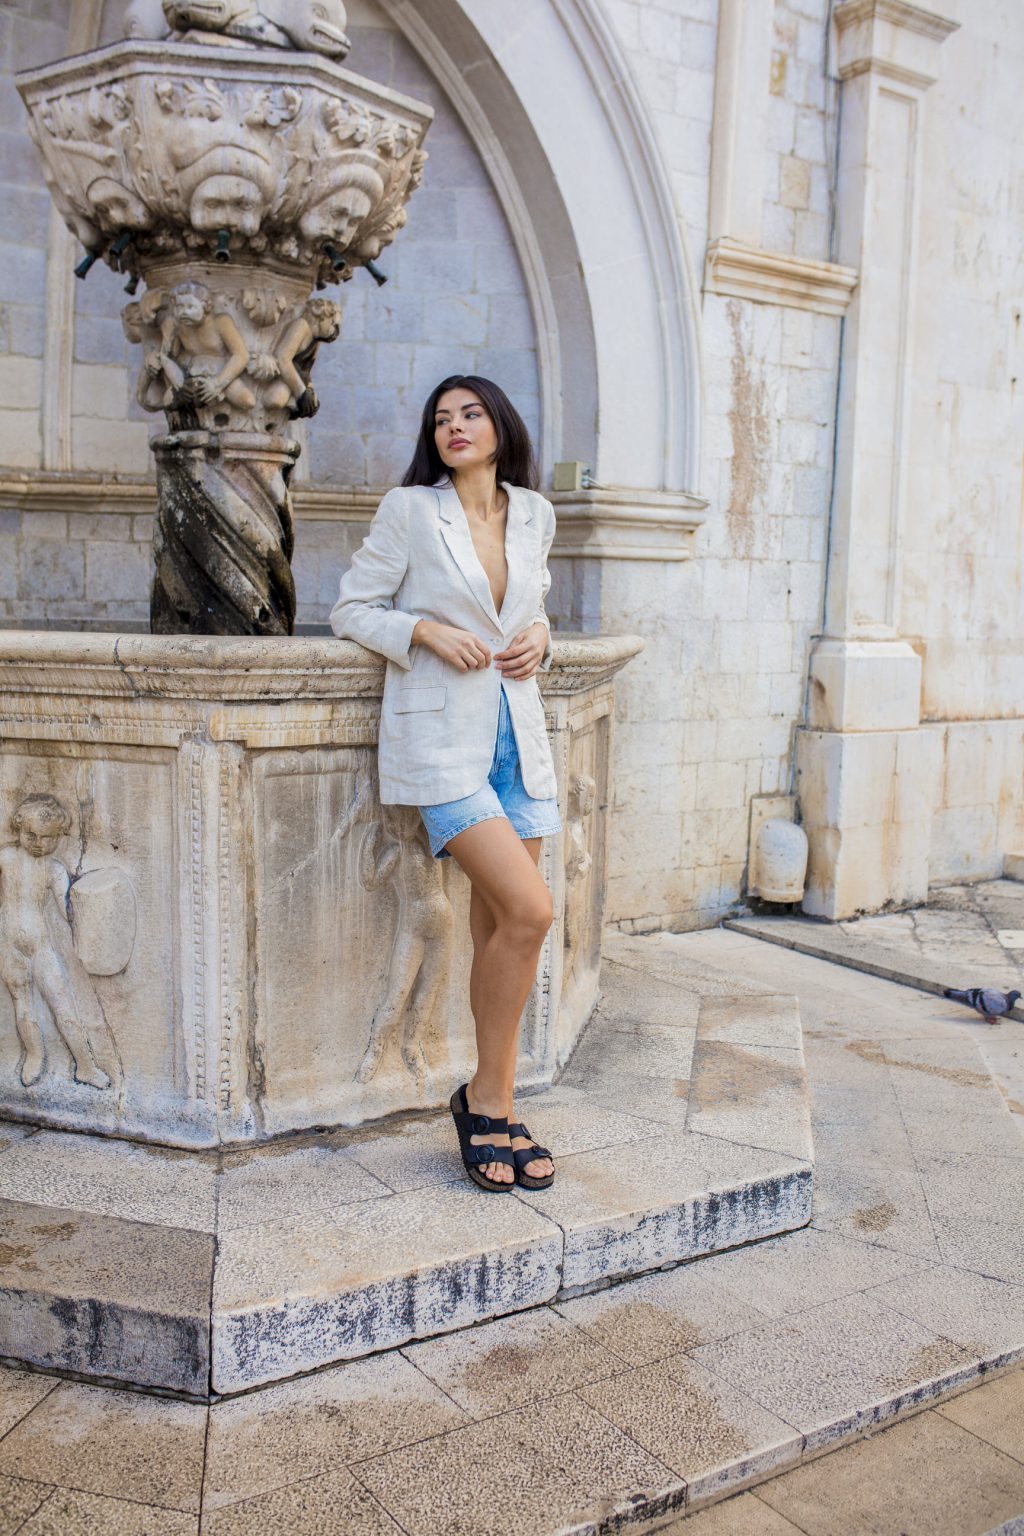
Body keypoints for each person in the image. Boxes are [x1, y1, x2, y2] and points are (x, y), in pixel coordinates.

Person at [331, 375, 560, 1192]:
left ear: (500, 425)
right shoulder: (410, 511)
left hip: (517, 739)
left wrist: (542, 635)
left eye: (470, 414)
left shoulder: (534, 513)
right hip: (442, 741)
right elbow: (351, 609)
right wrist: (424, 630)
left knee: (505, 927)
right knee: (533, 911)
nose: (454, 427)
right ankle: (485, 1100)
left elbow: (533, 608)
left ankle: (494, 1100)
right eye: (440, 419)